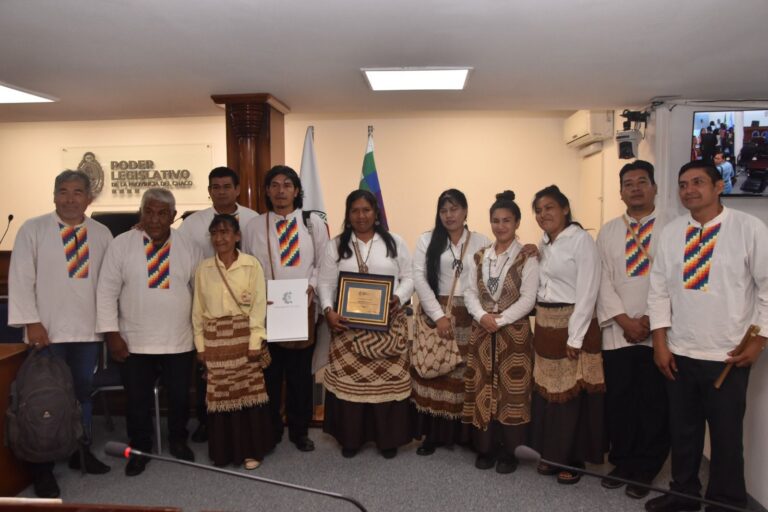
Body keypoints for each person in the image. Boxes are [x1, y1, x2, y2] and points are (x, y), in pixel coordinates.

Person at [646, 162, 768, 512]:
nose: (689, 190)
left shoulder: (748, 229)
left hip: (728, 355)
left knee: (727, 437)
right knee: (683, 435)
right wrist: (660, 342)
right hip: (680, 351)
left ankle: (726, 502)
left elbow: (766, 289)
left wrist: (759, 342)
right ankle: (683, 496)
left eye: (698, 182)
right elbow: (658, 292)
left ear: (719, 186)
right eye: (683, 184)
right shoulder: (670, 234)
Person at [8, 170, 113, 497]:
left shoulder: (102, 233)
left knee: (82, 394)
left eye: (77, 192)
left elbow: (109, 284)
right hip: (47, 331)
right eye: (63, 192)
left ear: (89, 198)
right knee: (44, 396)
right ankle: (42, 467)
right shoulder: (33, 229)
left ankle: (79, 450)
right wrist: (31, 322)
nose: (70, 199)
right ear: (54, 196)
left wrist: (108, 327)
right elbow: (21, 278)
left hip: (87, 331)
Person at [96, 187, 202, 476]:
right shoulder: (121, 244)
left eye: (162, 213)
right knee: (137, 401)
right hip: (133, 340)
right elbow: (106, 292)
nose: (154, 219)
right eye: (149, 212)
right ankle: (139, 448)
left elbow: (199, 292)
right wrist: (111, 334)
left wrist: (201, 336)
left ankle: (178, 440)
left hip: (179, 339)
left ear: (173, 215)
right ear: (141, 213)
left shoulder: (189, 246)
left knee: (180, 397)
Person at [318, 189, 414, 458]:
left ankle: (388, 440)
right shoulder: (336, 245)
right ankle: (352, 438)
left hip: (388, 326)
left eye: (366, 210)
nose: (361, 216)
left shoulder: (395, 242)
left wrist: (399, 296)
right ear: (348, 215)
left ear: (376, 213)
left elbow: (409, 278)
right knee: (352, 385)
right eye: (355, 211)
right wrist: (328, 311)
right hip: (347, 327)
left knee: (387, 383)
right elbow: (324, 283)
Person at [242, 165, 329, 453]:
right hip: (266, 310)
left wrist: (313, 287)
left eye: (287, 185)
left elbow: (323, 263)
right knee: (270, 373)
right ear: (267, 190)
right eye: (275, 185)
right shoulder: (254, 225)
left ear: (296, 190)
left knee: (300, 375)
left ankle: (299, 429)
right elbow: (249, 266)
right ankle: (272, 428)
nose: (281, 191)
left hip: (301, 310)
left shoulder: (311, 223)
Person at [596, 161, 669, 499]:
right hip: (619, 332)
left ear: (654, 187)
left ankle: (647, 467)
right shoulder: (608, 230)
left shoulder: (672, 227)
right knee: (621, 400)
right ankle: (622, 461)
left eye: (642, 181)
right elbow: (602, 281)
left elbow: (675, 281)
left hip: (659, 332)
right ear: (620, 192)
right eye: (628, 183)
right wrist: (625, 320)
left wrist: (651, 323)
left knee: (654, 402)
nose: (635, 188)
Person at [529, 185, 605, 485]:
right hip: (547, 324)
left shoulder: (581, 240)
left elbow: (588, 291)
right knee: (549, 395)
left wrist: (575, 337)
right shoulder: (545, 242)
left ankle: (573, 460)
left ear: (564, 209)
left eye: (549, 207)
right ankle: (551, 454)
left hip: (574, 325)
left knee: (572, 396)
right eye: (538, 210)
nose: (543, 214)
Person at [178, 166, 259, 443]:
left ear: (237, 189)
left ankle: (244, 430)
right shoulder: (192, 223)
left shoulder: (252, 219)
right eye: (215, 187)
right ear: (209, 190)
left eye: (227, 186)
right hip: (208, 305)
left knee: (245, 377)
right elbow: (173, 246)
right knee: (209, 377)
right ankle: (206, 422)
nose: (221, 191)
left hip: (244, 311)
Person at [462, 190, 538, 473]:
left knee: (512, 392)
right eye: (496, 220)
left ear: (517, 223)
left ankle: (510, 452)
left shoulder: (527, 256)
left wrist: (500, 319)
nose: (501, 226)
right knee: (483, 387)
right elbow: (469, 292)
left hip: (514, 335)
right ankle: (486, 448)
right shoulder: (480, 256)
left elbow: (529, 299)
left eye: (507, 220)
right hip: (482, 333)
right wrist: (482, 316)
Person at [410, 189, 491, 456]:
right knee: (435, 370)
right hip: (436, 312)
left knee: (463, 374)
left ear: (466, 211)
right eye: (444, 210)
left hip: (470, 313)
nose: (449, 215)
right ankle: (433, 435)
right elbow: (419, 278)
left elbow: (493, 272)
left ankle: (462, 434)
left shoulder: (481, 240)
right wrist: (439, 316)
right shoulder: (427, 239)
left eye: (454, 209)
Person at [192, 214, 274, 470]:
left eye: (226, 232)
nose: (220, 238)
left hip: (244, 338)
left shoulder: (252, 265)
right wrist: (200, 346)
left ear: (237, 236)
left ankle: (251, 451)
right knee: (220, 397)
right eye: (215, 233)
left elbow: (259, 306)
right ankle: (224, 452)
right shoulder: (204, 269)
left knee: (248, 395)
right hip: (215, 343)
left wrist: (255, 340)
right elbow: (198, 310)